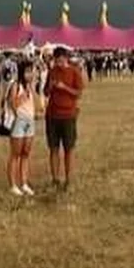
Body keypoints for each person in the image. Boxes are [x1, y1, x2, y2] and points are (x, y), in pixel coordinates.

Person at [43, 47, 84, 192]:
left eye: (60, 61)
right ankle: (55, 179)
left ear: (66, 58)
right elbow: (45, 92)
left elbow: (78, 93)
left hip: (68, 116)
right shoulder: (52, 71)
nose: (58, 64)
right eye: (56, 61)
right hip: (52, 115)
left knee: (69, 149)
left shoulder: (74, 72)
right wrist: (50, 86)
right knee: (53, 148)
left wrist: (64, 87)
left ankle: (69, 180)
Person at [5, 61, 37, 197]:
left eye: (32, 71)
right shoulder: (15, 85)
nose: (30, 74)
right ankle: (13, 184)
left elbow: (36, 103)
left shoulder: (30, 86)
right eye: (27, 71)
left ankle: (24, 183)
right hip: (19, 121)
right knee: (15, 154)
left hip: (30, 121)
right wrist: (22, 97)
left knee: (26, 153)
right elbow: (13, 104)